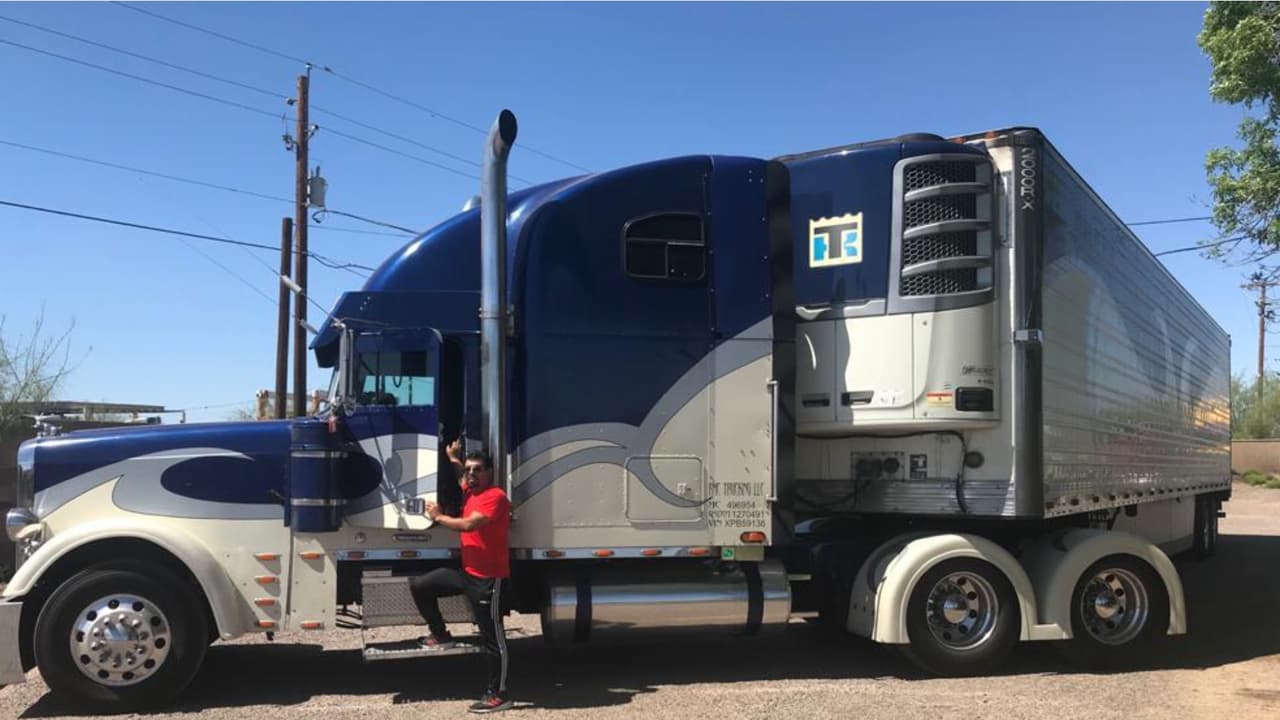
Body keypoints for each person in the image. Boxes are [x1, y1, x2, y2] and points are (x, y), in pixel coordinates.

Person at [408, 439, 513, 714]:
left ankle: (498, 694)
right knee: (421, 586)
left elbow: (469, 524)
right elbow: (460, 479)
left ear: (489, 472)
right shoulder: (471, 491)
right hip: (467, 574)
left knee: (493, 639)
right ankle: (441, 635)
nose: (472, 474)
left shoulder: (495, 497)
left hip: (488, 580)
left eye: (478, 469)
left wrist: (439, 517)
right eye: (469, 470)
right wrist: (454, 458)